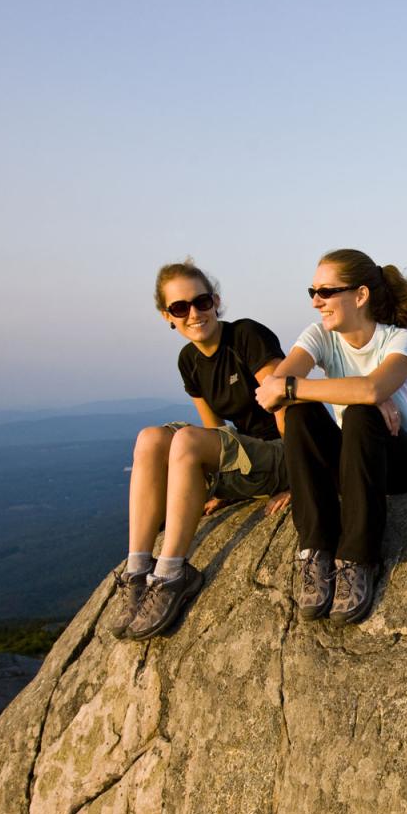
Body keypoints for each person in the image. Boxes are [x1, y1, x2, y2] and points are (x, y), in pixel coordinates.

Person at [109, 260, 290, 641]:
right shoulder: (189, 360)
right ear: (167, 316)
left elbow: (291, 407)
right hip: (249, 457)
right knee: (150, 439)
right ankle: (139, 569)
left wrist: (303, 482)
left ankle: (173, 573)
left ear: (216, 302)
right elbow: (214, 431)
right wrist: (220, 488)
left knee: (186, 441)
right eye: (180, 308)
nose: (193, 313)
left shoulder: (246, 336)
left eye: (201, 301)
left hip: (286, 452)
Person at [255, 249, 407, 625]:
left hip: (403, 461)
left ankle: (357, 558)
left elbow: (370, 390)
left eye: (327, 291)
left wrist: (369, 394)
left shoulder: (399, 341)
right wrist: (356, 391)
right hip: (353, 459)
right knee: (301, 410)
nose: (316, 301)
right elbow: (273, 393)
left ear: (360, 295)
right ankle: (315, 551)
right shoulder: (320, 336)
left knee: (360, 412)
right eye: (313, 291)